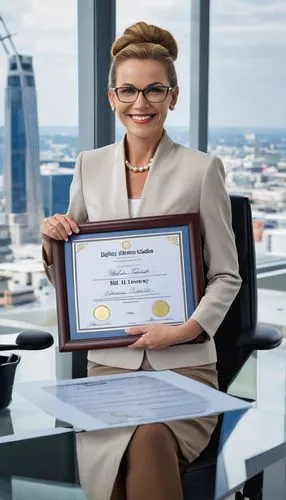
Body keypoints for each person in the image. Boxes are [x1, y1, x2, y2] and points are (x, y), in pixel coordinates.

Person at [41, 21, 241, 500]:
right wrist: (53, 239)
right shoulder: (89, 166)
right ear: (111, 97)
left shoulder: (202, 169)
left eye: (154, 89)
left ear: (172, 97)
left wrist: (186, 329)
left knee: (150, 435)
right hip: (109, 367)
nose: (140, 102)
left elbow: (226, 275)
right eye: (128, 90)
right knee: (125, 449)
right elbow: (71, 274)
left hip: (184, 368)